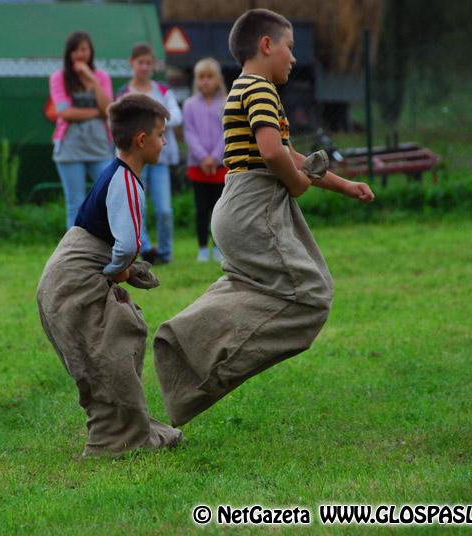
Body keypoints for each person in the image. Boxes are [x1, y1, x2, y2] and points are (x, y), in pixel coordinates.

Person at [153, 9, 375, 427]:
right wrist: (296, 184)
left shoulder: (244, 87)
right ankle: (201, 373)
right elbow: (273, 154)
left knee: (254, 286)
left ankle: (184, 335)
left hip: (238, 205)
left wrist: (343, 185)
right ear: (267, 45)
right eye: (290, 48)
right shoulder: (259, 88)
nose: (294, 58)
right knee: (311, 296)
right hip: (254, 207)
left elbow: (288, 153)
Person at [37, 94, 183, 457]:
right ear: (141, 139)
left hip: (62, 278)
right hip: (73, 281)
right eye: (161, 135)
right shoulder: (127, 182)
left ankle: (123, 430)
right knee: (110, 351)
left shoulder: (116, 174)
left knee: (105, 351)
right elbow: (128, 242)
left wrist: (120, 270)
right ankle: (118, 439)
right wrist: (118, 271)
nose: (165, 142)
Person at [117, 43, 182, 265]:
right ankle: (144, 248)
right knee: (137, 206)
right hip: (135, 160)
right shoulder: (124, 94)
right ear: (132, 63)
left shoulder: (162, 91)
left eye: (148, 63)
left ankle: (165, 252)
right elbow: (120, 125)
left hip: (160, 158)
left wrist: (151, 123)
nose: (144, 67)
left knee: (164, 209)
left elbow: (177, 116)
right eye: (140, 62)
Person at [49, 31, 115, 229]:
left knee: (110, 197)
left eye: (84, 49)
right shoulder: (59, 78)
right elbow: (65, 113)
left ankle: (109, 243)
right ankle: (74, 247)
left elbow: (109, 110)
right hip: (70, 147)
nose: (80, 54)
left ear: (91, 51)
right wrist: (97, 112)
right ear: (69, 54)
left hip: (100, 146)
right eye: (76, 50)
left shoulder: (102, 77)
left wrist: (92, 81)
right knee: (75, 204)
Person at [182, 57, 228, 263]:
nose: (205, 81)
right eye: (201, 77)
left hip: (220, 166)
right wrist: (203, 157)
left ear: (218, 79)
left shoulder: (226, 103)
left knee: (220, 208)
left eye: (209, 77)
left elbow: (226, 132)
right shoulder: (189, 105)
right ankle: (202, 248)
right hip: (198, 165)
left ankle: (218, 246)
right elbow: (189, 133)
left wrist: (215, 157)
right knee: (201, 209)